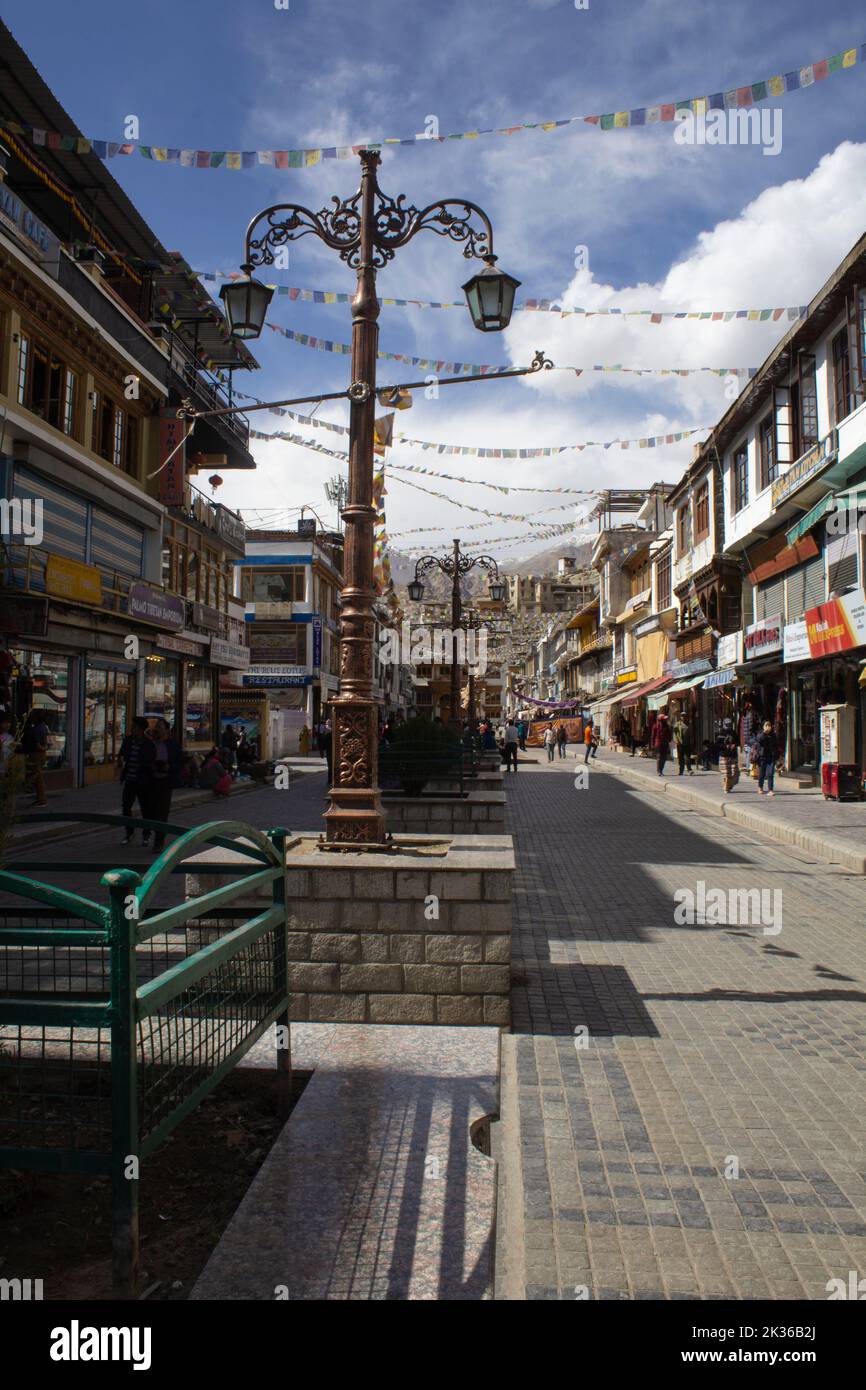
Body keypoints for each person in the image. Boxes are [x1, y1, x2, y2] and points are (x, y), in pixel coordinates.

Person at [145, 718, 182, 852]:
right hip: (150, 781)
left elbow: (179, 763)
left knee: (162, 812)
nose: (157, 730)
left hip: (165, 782)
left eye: (160, 727)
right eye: (156, 728)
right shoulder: (150, 744)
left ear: (167, 730)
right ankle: (148, 833)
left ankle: (158, 841)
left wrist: (169, 766)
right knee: (150, 811)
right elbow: (143, 759)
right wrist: (151, 766)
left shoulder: (173, 745)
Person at [117, 716, 156, 843]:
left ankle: (146, 834)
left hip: (143, 781)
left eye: (134, 727)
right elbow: (122, 754)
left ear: (140, 729)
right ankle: (129, 832)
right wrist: (120, 761)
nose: (132, 729)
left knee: (146, 809)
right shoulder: (128, 740)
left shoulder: (149, 744)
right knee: (126, 807)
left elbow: (151, 761)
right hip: (130, 779)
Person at [756, 720, 779, 796]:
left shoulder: (773, 735)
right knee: (762, 773)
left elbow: (776, 746)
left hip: (771, 757)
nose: (768, 727)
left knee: (770, 773)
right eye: (766, 725)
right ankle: (760, 787)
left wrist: (777, 756)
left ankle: (770, 790)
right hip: (762, 756)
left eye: (769, 725)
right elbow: (759, 740)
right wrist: (764, 733)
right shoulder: (760, 734)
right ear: (763, 726)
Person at [673, 712, 695, 776]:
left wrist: (692, 741)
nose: (683, 717)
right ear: (680, 717)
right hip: (680, 744)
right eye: (682, 716)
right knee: (681, 758)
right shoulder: (677, 724)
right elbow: (674, 733)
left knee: (687, 757)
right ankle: (681, 771)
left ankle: (689, 769)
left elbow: (691, 734)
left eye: (685, 716)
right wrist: (676, 740)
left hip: (687, 743)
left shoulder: (689, 724)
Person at [720, 721, 740, 794]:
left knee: (735, 772)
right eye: (727, 725)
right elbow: (718, 744)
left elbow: (738, 741)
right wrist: (726, 746)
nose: (729, 726)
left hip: (733, 755)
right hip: (724, 755)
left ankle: (730, 784)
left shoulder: (733, 732)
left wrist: (735, 744)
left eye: (730, 725)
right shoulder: (721, 733)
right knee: (726, 773)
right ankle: (726, 787)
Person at [652, 711, 672, 776]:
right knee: (659, 757)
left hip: (665, 743)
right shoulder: (655, 726)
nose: (665, 720)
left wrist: (669, 741)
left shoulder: (667, 726)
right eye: (664, 719)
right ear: (661, 720)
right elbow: (653, 736)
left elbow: (669, 735)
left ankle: (661, 770)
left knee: (664, 757)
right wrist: (652, 744)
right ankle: (658, 771)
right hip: (658, 743)